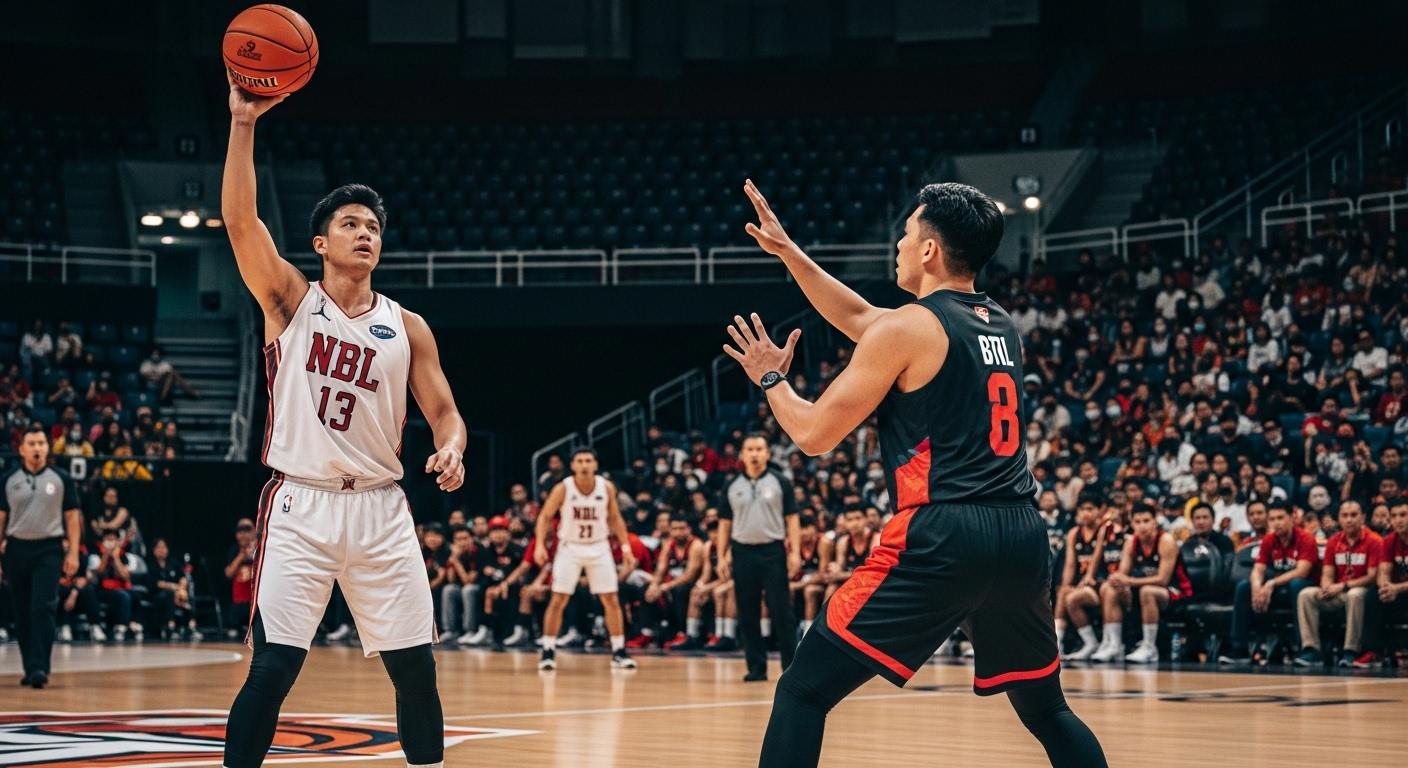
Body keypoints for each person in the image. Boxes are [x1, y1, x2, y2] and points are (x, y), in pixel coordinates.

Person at [726, 180, 1105, 766]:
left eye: (905, 235)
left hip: (943, 533)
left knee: (802, 689)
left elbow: (812, 435)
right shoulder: (997, 323)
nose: (898, 246)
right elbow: (861, 317)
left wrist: (771, 380)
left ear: (928, 250)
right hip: (1022, 533)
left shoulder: (907, 329)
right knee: (1048, 711)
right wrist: (789, 252)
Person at [221, 71, 466, 768]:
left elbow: (445, 412)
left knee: (416, 673)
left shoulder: (407, 326)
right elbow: (241, 222)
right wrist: (244, 125)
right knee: (271, 672)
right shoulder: (290, 302)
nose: (366, 233)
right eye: (350, 224)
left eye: (373, 227)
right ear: (321, 244)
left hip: (382, 511)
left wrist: (451, 448)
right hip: (301, 505)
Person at [532, 448, 637, 671]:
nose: (584, 465)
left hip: (599, 546)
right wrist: (540, 544)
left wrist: (626, 548)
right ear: (573, 466)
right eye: (579, 461)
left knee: (611, 599)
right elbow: (545, 517)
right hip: (570, 547)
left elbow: (616, 518)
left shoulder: (606, 487)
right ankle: (548, 650)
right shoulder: (564, 488)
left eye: (588, 460)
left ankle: (619, 651)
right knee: (559, 599)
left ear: (595, 465)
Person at [0, 426, 82, 688]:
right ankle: (30, 666)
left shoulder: (61, 479)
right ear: (21, 449)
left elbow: (72, 518)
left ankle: (40, 667)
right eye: (32, 443)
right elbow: (1, 519)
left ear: (48, 448)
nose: (37, 448)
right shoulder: (8, 479)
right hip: (16, 549)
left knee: (43, 607)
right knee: (22, 611)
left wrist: (73, 553)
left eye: (41, 443)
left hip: (49, 549)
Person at [717, 432, 802, 683]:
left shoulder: (780, 482)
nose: (754, 454)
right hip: (742, 551)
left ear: (767, 453)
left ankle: (791, 667)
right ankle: (756, 667)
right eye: (750, 449)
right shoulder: (731, 486)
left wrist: (795, 551)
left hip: (772, 551)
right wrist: (721, 556)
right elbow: (724, 523)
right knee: (747, 611)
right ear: (742, 454)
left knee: (781, 610)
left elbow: (792, 519)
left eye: (759, 449)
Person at [1090, 507, 1192, 664]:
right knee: (1109, 589)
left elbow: (1163, 580)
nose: (1142, 526)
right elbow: (1123, 574)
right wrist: (1116, 579)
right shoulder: (1131, 541)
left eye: (1146, 521)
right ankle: (1114, 645)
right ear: (1131, 524)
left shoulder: (1166, 541)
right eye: (1137, 522)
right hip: (1143, 588)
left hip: (1176, 591)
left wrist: (1129, 582)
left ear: (1155, 522)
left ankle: (1150, 648)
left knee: (1147, 592)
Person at [1219, 504, 1317, 665]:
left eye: (1280, 518)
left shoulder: (1305, 538)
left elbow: (1302, 572)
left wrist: (1271, 583)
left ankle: (1306, 649)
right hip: (1278, 588)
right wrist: (1257, 587)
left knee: (1296, 585)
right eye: (1272, 519)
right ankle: (1239, 649)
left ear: (1291, 518)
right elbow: (1257, 570)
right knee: (1244, 587)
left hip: (1303, 587)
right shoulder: (1269, 540)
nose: (1276, 523)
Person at [1295, 501, 1383, 668]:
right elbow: (1327, 574)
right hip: (1339, 592)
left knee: (1355, 594)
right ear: (1339, 519)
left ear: (1363, 517)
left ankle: (1351, 651)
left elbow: (1372, 577)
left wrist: (1342, 586)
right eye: (1345, 516)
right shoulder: (1334, 541)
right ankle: (1311, 650)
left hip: (1364, 592)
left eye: (1353, 515)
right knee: (1306, 594)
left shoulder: (1374, 540)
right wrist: (1326, 587)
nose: (1349, 520)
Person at [1056, 494, 1106, 660]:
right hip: (1082, 583)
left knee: (1073, 598)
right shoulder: (1074, 533)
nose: (1086, 513)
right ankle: (1057, 643)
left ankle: (1091, 643)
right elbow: (1070, 564)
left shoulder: (1104, 530)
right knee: (1063, 593)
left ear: (1100, 511)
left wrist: (1086, 580)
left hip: (1099, 582)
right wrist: (1066, 585)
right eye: (1082, 509)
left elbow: (1096, 561)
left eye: (1090, 509)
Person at [648, 511, 706, 649]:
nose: (678, 532)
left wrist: (666, 586)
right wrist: (654, 585)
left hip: (693, 584)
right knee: (647, 591)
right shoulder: (669, 545)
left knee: (680, 590)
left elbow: (690, 575)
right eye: (674, 529)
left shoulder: (696, 545)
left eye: (682, 528)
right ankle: (649, 631)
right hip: (673, 583)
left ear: (689, 529)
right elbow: (661, 569)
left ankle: (684, 633)